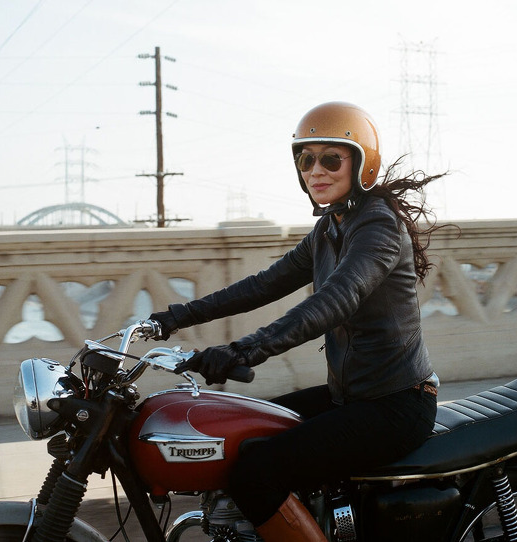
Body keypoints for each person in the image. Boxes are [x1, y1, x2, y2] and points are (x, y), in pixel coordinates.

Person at [150, 101, 442, 542]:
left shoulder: (378, 226)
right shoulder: (330, 228)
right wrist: (176, 316)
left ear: (361, 163)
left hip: (396, 405)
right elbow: (264, 284)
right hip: (353, 397)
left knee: (256, 473)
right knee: (241, 433)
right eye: (306, 159)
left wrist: (245, 351)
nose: (315, 170)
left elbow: (337, 299)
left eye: (330, 158)